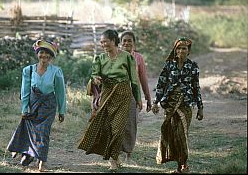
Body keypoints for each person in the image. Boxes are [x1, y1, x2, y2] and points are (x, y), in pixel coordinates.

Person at [78, 29, 142, 171]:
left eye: (105, 41)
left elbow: (134, 80)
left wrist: (138, 99)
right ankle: (115, 156)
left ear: (113, 41)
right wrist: (95, 79)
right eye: (101, 42)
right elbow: (94, 75)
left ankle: (113, 159)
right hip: (107, 95)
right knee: (107, 128)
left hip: (124, 95)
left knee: (118, 128)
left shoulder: (127, 57)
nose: (103, 44)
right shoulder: (99, 59)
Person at [7, 39, 67, 172]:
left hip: (48, 106)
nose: (44, 56)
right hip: (33, 105)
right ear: (37, 54)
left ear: (51, 57)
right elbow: (25, 91)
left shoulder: (56, 72)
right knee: (30, 131)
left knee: (44, 133)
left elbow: (61, 92)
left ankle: (41, 162)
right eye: (41, 53)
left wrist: (62, 111)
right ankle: (27, 153)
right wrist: (24, 108)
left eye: (47, 54)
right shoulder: (28, 70)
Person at [151, 37, 204, 173]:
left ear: (189, 51)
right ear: (175, 50)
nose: (181, 50)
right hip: (169, 104)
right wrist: (155, 102)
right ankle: (179, 166)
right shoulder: (169, 65)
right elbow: (161, 85)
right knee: (172, 134)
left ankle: (183, 165)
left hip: (185, 105)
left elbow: (196, 87)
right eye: (178, 48)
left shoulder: (193, 66)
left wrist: (200, 107)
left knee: (182, 134)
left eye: (184, 48)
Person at [119, 30, 152, 163]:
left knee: (131, 126)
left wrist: (148, 98)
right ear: (120, 44)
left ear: (134, 44)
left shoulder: (138, 58)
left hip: (133, 96)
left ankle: (128, 154)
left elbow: (143, 79)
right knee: (117, 125)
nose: (127, 43)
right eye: (124, 41)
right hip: (117, 96)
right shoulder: (115, 56)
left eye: (129, 41)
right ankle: (117, 153)